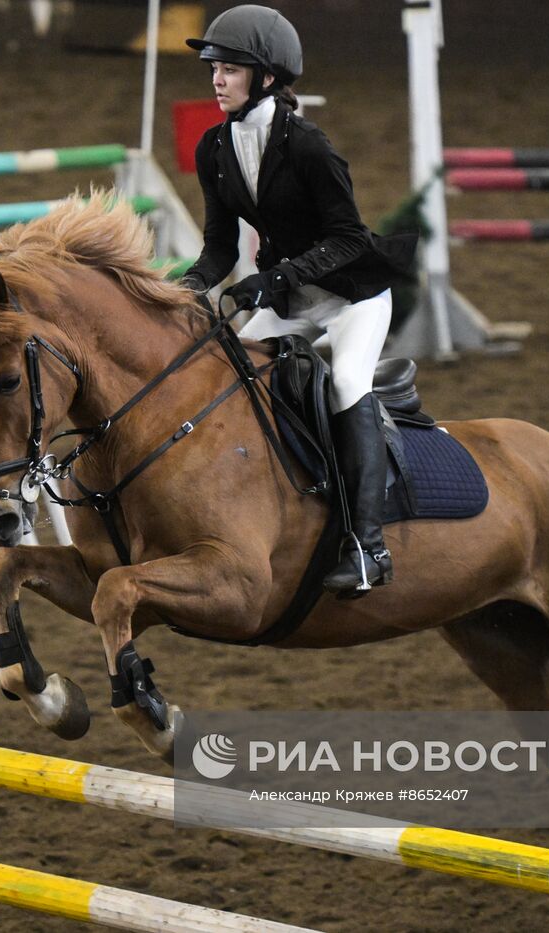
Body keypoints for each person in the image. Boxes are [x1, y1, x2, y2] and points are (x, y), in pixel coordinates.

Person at [182, 4, 417, 595]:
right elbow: (217, 248)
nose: (216, 79)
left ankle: (368, 548)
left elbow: (348, 239)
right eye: (214, 67)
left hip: (352, 297)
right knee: (228, 375)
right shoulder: (214, 148)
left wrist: (274, 279)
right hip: (290, 302)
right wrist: (184, 288)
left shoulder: (311, 146)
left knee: (344, 386)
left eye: (230, 68)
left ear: (266, 76)